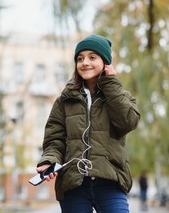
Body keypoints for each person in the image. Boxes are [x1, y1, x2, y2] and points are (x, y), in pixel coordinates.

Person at [35, 34, 141, 212]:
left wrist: (111, 84)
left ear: (106, 62)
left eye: (92, 57)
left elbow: (128, 123)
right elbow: (54, 140)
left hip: (110, 181)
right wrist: (49, 160)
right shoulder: (64, 100)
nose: (85, 62)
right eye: (80, 58)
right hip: (74, 184)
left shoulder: (119, 96)